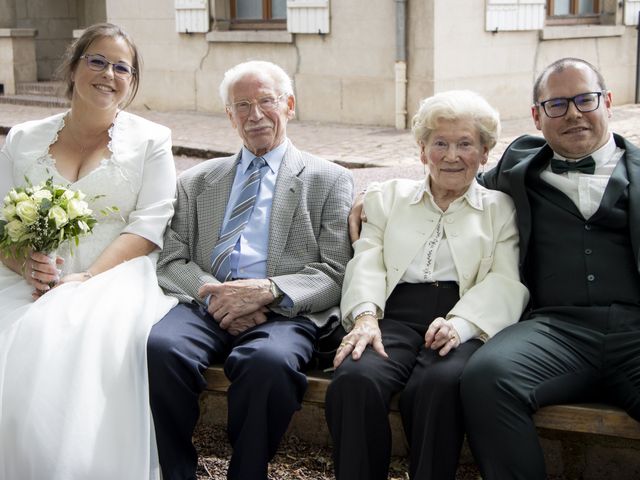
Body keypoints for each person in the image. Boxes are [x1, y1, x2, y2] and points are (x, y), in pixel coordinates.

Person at [147, 60, 353, 480]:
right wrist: (218, 294)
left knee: (268, 363)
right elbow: (171, 260)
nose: (255, 115)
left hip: (282, 310)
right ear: (229, 116)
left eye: (266, 101)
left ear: (289, 105)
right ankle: (176, 472)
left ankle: (247, 471)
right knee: (161, 349)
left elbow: (334, 271)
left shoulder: (329, 179)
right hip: (205, 301)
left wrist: (265, 292)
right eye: (242, 105)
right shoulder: (197, 180)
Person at [0, 23, 177, 479]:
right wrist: (25, 264)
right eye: (98, 60)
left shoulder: (152, 139)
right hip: (29, 275)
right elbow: (2, 224)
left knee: (59, 334)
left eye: (123, 67)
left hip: (115, 273)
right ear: (74, 67)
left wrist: (88, 277)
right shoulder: (22, 138)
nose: (109, 74)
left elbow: (150, 225)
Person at [326, 90, 529, 480]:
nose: (452, 155)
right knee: (354, 378)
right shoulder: (387, 197)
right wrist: (365, 317)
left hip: (460, 320)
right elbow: (367, 258)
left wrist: (462, 324)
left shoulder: (499, 209)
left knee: (438, 386)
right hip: (392, 316)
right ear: (422, 151)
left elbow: (505, 279)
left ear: (485, 153)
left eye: (465, 144)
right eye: (440, 143)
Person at [459, 57, 640, 479]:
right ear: (538, 117)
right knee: (486, 377)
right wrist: (375, 198)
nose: (574, 113)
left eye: (585, 99)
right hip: (556, 329)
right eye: (557, 104)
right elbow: (451, 186)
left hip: (636, 329)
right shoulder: (517, 166)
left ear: (608, 102)